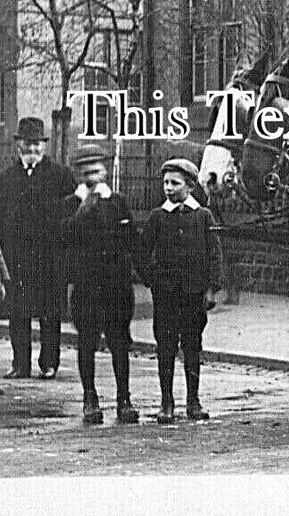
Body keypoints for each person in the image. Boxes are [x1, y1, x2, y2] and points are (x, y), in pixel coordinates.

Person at [138, 158, 221, 424]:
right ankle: (166, 402)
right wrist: (153, 280)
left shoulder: (203, 216)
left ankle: (193, 401)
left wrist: (211, 289)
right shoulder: (157, 217)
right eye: (165, 183)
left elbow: (214, 255)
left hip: (194, 296)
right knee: (165, 347)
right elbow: (140, 253)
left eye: (175, 183)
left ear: (191, 185)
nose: (169, 188)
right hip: (166, 298)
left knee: (193, 347)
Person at [60, 145, 139, 425]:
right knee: (87, 343)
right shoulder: (72, 203)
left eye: (96, 170)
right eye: (86, 172)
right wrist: (82, 207)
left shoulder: (117, 201)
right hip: (86, 285)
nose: (92, 177)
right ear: (78, 174)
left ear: (105, 170)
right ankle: (89, 398)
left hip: (116, 285)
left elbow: (132, 239)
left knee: (119, 342)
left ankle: (124, 399)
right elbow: (62, 237)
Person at [0, 117, 76, 379]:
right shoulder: (8, 177)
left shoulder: (61, 175)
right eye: (27, 145)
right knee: (18, 313)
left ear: (44, 146)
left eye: (37, 145)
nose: (32, 150)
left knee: (50, 312)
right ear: (18, 145)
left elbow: (71, 215)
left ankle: (49, 363)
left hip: (50, 256)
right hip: (18, 257)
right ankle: (20, 364)